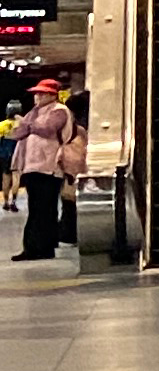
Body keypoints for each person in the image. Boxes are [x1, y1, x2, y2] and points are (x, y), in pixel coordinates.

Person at [10, 75, 80, 263]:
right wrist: (25, 125)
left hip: (49, 166)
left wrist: (26, 124)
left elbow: (48, 129)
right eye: (36, 94)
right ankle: (34, 247)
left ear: (52, 95)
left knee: (45, 209)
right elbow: (18, 133)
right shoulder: (34, 112)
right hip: (32, 166)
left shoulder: (59, 111)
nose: (37, 97)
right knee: (36, 208)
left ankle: (42, 247)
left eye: (42, 94)